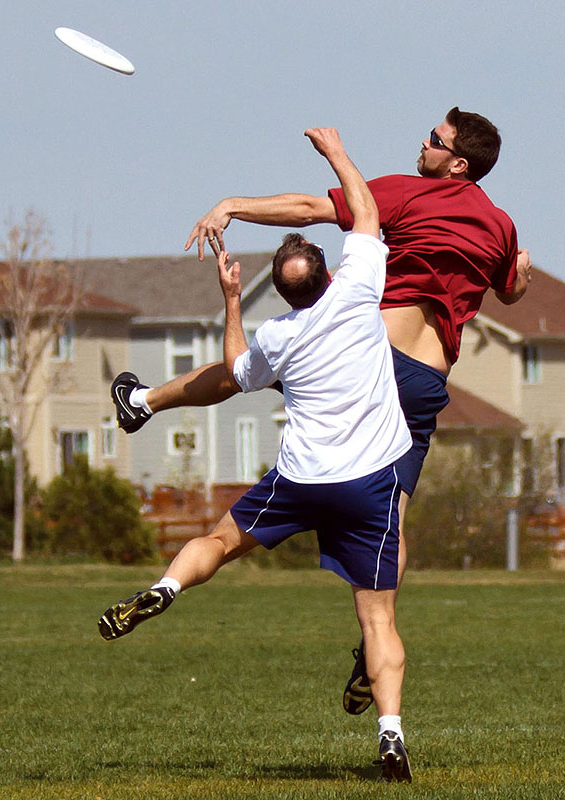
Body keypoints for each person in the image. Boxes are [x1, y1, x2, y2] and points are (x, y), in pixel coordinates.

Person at [110, 106, 532, 714]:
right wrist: (519, 277)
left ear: (458, 163)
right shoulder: (499, 224)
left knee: (250, 368)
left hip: (373, 359)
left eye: (434, 140)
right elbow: (510, 289)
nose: (423, 142)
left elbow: (312, 209)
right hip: (426, 384)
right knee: (394, 518)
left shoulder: (409, 195)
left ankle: (142, 402)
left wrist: (233, 204)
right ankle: (374, 640)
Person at [99, 127, 414, 782]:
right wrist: (335, 153)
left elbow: (235, 370)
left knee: (217, 540)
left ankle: (163, 589)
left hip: (300, 477)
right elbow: (366, 210)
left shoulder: (281, 336)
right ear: (329, 273)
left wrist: (232, 299)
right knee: (375, 614)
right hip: (369, 483)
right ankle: (390, 734)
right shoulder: (360, 291)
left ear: (286, 289)